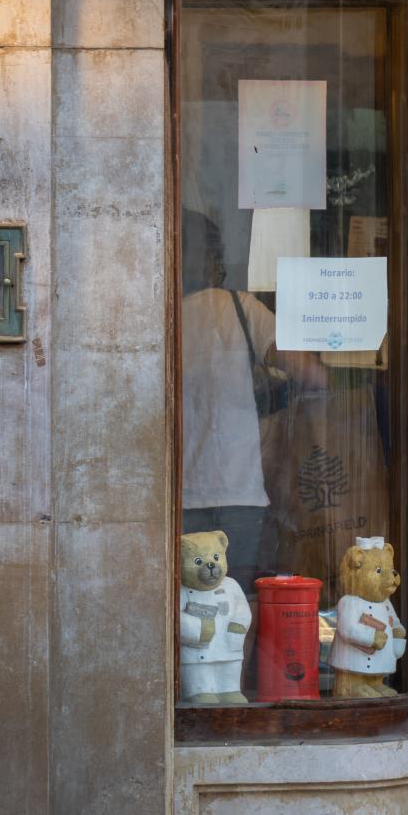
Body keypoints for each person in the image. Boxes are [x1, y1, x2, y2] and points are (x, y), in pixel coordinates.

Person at [180, 212, 280, 590]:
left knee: (183, 602)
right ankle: (232, 653)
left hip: (181, 490)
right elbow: (308, 370)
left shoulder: (162, 314)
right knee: (237, 598)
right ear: (215, 259)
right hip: (241, 487)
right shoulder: (241, 308)